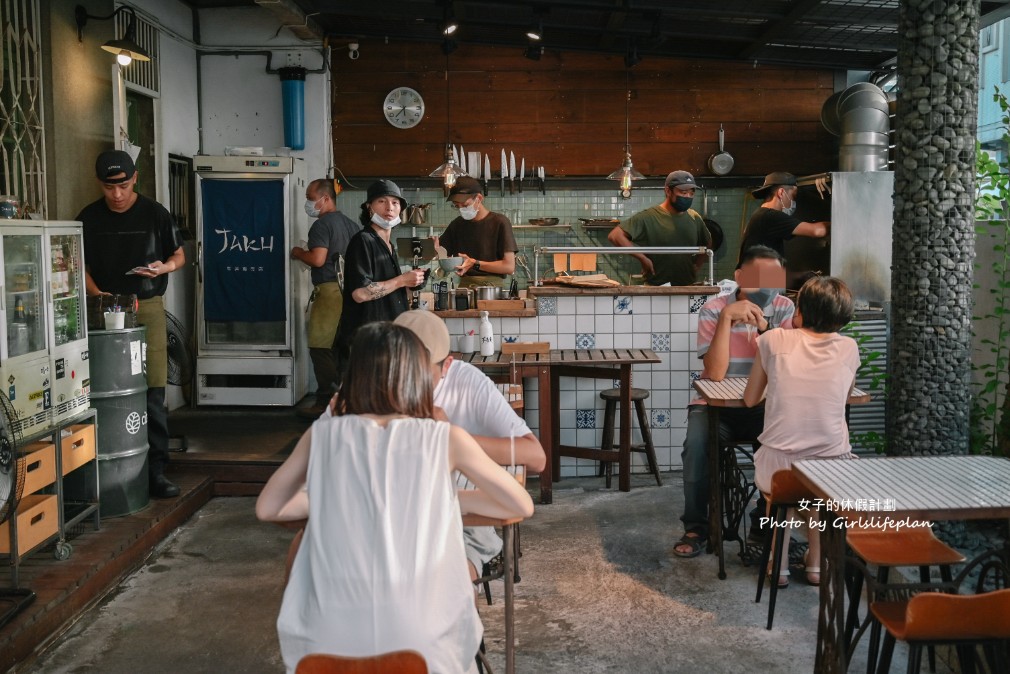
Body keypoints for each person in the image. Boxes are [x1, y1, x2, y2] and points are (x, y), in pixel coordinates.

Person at [256, 322, 534, 673]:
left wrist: (335, 501)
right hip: (424, 649)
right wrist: (446, 499)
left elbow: (269, 507)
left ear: (353, 376)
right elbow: (521, 505)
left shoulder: (323, 434)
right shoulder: (443, 437)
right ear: (420, 376)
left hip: (323, 648)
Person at [393, 310, 546, 583]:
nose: (409, 383)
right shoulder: (366, 384)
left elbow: (535, 458)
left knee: (452, 576)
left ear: (447, 365)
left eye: (421, 373)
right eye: (400, 371)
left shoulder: (467, 383)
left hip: (456, 518)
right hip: (390, 517)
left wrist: (454, 440)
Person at [673, 245, 795, 559]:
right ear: (740, 276)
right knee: (696, 446)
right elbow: (714, 374)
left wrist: (765, 329)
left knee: (782, 453)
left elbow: (784, 369)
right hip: (715, 407)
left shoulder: (784, 308)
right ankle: (697, 526)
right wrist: (728, 318)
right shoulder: (714, 308)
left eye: (773, 278)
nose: (767, 286)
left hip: (765, 407)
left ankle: (765, 525)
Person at [79, 150, 185, 499]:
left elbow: (179, 254)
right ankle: (107, 466)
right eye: (110, 187)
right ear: (101, 185)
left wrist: (163, 268)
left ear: (135, 178)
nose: (117, 194)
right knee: (107, 386)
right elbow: (77, 264)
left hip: (147, 305)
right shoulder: (89, 218)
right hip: (103, 308)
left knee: (153, 387)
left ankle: (155, 470)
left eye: (123, 185)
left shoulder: (155, 213)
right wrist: (98, 294)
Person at [743, 276, 859, 587]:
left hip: (780, 469)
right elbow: (844, 398)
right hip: (832, 467)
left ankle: (777, 566)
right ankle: (815, 566)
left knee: (781, 498)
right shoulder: (849, 347)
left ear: (800, 313)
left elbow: (750, 398)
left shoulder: (773, 340)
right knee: (817, 499)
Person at [333, 179, 425, 366]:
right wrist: (401, 280)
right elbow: (361, 293)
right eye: (382, 201)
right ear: (369, 207)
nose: (389, 208)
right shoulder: (363, 241)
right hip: (366, 344)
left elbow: (387, 292)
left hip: (387, 340)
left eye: (395, 202)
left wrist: (410, 285)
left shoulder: (389, 247)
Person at [290, 179, 361, 417]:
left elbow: (318, 259)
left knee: (320, 347)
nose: (308, 203)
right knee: (342, 347)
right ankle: (345, 399)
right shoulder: (351, 225)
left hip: (329, 292)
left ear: (326, 198)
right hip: (349, 293)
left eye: (311, 198)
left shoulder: (321, 225)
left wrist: (299, 253)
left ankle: (325, 402)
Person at [607, 170, 711, 286]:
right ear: (668, 191)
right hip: (655, 288)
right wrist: (642, 258)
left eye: (691, 193)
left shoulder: (694, 217)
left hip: (687, 287)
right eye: (683, 192)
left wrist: (697, 264)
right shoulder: (649, 216)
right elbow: (615, 235)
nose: (688, 196)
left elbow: (708, 243)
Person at [435, 176, 517, 288]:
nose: (461, 210)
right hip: (464, 288)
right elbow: (442, 253)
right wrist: (434, 249)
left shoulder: (499, 222)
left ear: (478, 198)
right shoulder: (457, 224)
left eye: (465, 205)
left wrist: (475, 264)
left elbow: (509, 267)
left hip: (491, 291)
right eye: (456, 206)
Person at [738, 171, 829, 260]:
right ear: (781, 193)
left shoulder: (761, 215)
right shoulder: (771, 216)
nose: (794, 201)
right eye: (794, 195)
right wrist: (839, 223)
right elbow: (817, 231)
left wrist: (799, 275)